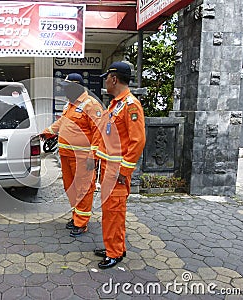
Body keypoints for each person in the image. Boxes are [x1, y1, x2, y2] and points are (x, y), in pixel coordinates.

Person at [94, 62, 146, 269]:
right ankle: (114, 246)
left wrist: (124, 170)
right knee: (110, 212)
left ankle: (114, 253)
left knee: (114, 212)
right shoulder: (116, 104)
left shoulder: (131, 105)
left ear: (114, 79)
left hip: (117, 173)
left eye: (107, 78)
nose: (106, 81)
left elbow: (138, 141)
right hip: (108, 170)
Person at [41, 73, 104, 237]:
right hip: (66, 155)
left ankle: (81, 223)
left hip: (83, 158)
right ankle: (76, 216)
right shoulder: (69, 105)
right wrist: (48, 132)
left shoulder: (91, 105)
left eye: (67, 88)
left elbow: (98, 132)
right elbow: (62, 122)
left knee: (83, 189)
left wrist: (93, 156)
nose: (65, 91)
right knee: (71, 188)